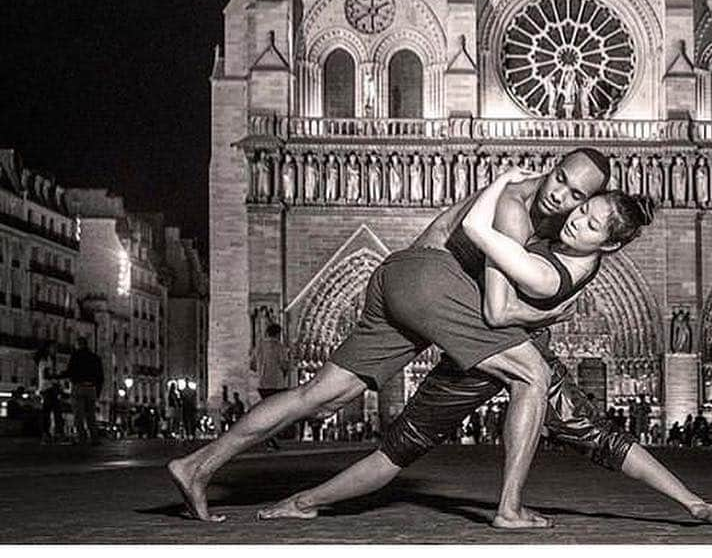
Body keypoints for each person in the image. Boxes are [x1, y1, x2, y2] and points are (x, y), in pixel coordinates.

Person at [170, 150, 611, 529]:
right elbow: (497, 310)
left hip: (399, 277)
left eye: (576, 195)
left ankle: (197, 466)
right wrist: (547, 312)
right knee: (532, 373)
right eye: (561, 179)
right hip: (430, 281)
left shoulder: (520, 196)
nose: (560, 195)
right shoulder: (514, 208)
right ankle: (510, 508)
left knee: (320, 396)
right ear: (552, 167)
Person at [252, 323, 290, 449]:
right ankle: (271, 438)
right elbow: (284, 365)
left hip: (262, 384)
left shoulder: (259, 346)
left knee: (267, 411)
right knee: (276, 413)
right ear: (278, 334)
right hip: (276, 384)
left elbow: (252, 365)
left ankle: (269, 439)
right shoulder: (279, 346)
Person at [61, 336, 103, 444]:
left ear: (78, 345)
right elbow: (100, 377)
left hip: (78, 386)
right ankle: (94, 438)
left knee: (78, 415)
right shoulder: (95, 358)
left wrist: (58, 375)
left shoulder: (76, 356)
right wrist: (98, 391)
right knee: (91, 415)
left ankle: (82, 437)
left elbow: (70, 371)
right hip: (91, 388)